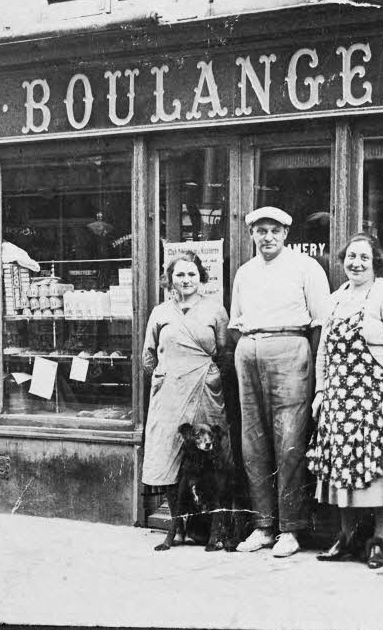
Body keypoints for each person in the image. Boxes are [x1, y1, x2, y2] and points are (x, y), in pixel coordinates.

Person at [229, 206, 331, 557]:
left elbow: (321, 323)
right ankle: (263, 525)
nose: (267, 237)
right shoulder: (245, 272)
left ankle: (290, 529)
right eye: (261, 231)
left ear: (286, 234)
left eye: (274, 230)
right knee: (253, 442)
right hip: (250, 349)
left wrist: (315, 372)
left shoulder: (306, 267)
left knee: (290, 440)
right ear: (252, 235)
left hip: (291, 349)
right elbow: (235, 321)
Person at [307, 233, 383, 569]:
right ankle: (346, 537)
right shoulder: (335, 299)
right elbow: (323, 350)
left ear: (375, 262)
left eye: (364, 258)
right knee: (342, 466)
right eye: (351, 257)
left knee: (380, 470)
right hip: (339, 398)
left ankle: (380, 541)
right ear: (342, 260)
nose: (356, 263)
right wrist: (321, 391)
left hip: (374, 397)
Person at [141, 251, 231, 549]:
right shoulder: (160, 312)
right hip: (169, 393)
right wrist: (163, 377)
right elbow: (148, 355)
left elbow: (224, 350)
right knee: (167, 457)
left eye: (192, 273)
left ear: (201, 276)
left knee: (212, 459)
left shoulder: (215, 310)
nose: (186, 279)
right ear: (169, 279)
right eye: (180, 274)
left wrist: (210, 376)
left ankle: (215, 531)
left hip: (205, 389)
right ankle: (176, 528)